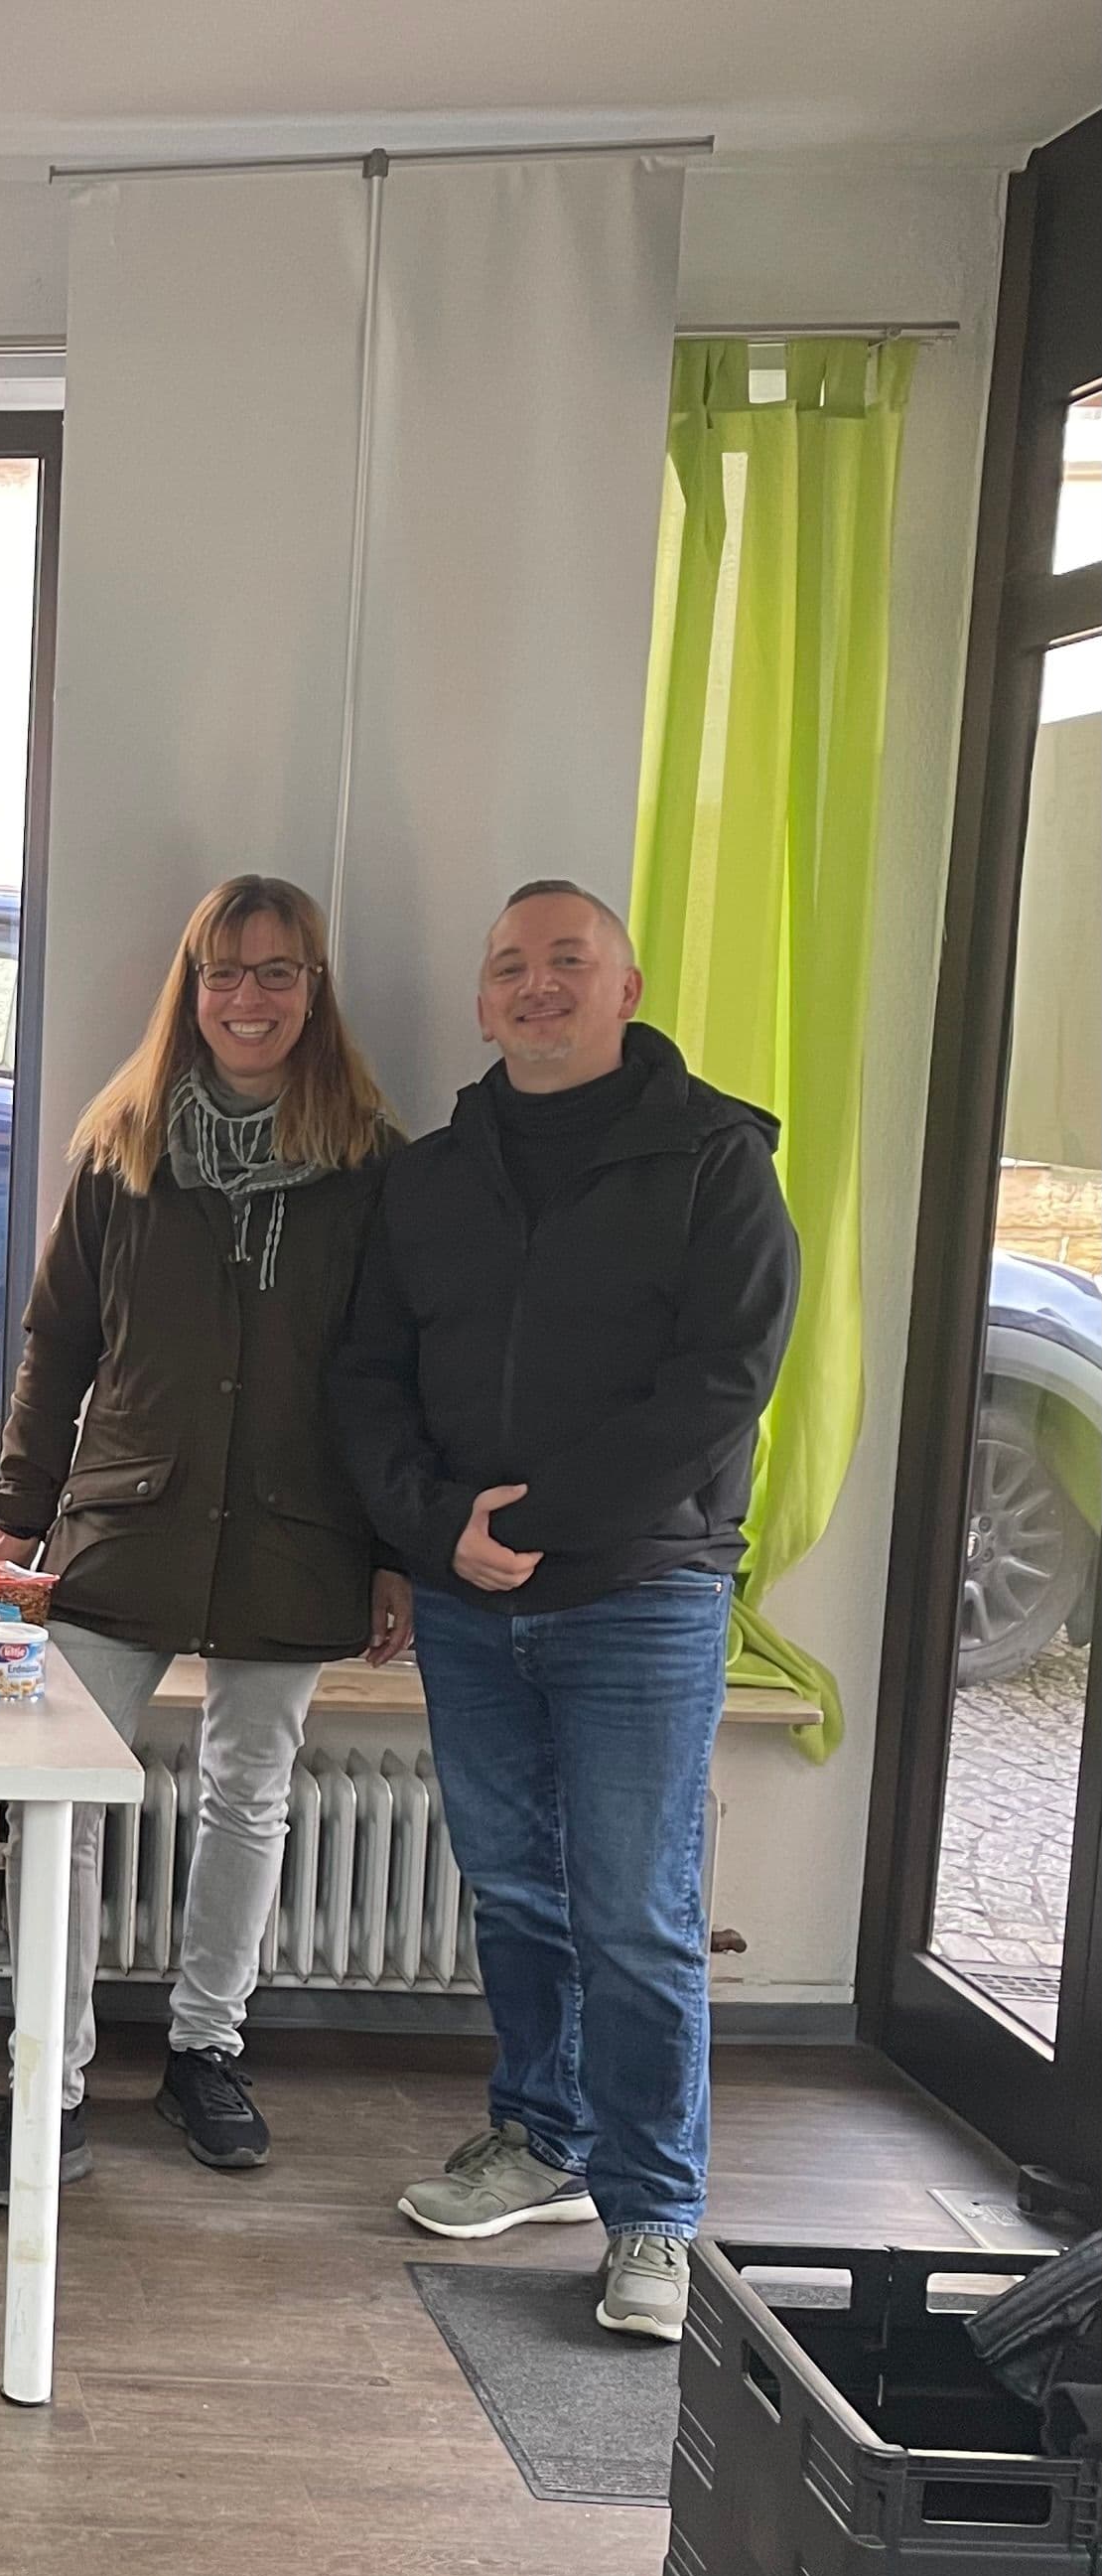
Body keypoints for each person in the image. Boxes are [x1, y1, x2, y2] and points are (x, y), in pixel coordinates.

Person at [333, 880, 798, 2345]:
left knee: (635, 1912)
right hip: (472, 1597)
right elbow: (366, 1378)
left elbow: (723, 1383)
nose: (538, 987)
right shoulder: (429, 1175)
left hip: (641, 1591)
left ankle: (653, 2209)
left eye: (567, 963)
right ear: (482, 1003)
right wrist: (429, 1528)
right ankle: (538, 2140)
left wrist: (527, 1526)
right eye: (511, 968)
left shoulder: (716, 1159)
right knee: (516, 1892)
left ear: (627, 987)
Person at [0, 875, 409, 2204]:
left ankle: (207, 2048)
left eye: (277, 974)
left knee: (248, 1792)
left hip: (297, 1532)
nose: (250, 998)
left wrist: (391, 1549)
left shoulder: (371, 1168)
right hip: (125, 1524)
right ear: (191, 989)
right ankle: (48, 2078)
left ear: (312, 992)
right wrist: (18, 1515)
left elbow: (394, 1368)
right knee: (64, 1799)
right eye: (226, 973)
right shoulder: (122, 1150)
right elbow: (58, 1342)